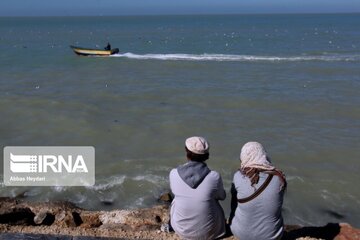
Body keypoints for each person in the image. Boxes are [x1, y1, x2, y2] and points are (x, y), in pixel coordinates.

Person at [169, 136, 226, 240]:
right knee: (213, 200)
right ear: (206, 155)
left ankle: (171, 226)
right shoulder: (214, 176)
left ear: (186, 152)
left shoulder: (174, 174)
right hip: (210, 233)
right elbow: (222, 196)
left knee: (175, 200)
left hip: (182, 231)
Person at [229, 142, 287, 240]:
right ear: (264, 155)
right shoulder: (279, 179)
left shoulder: (238, 176)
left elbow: (234, 203)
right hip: (272, 236)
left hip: (240, 234)